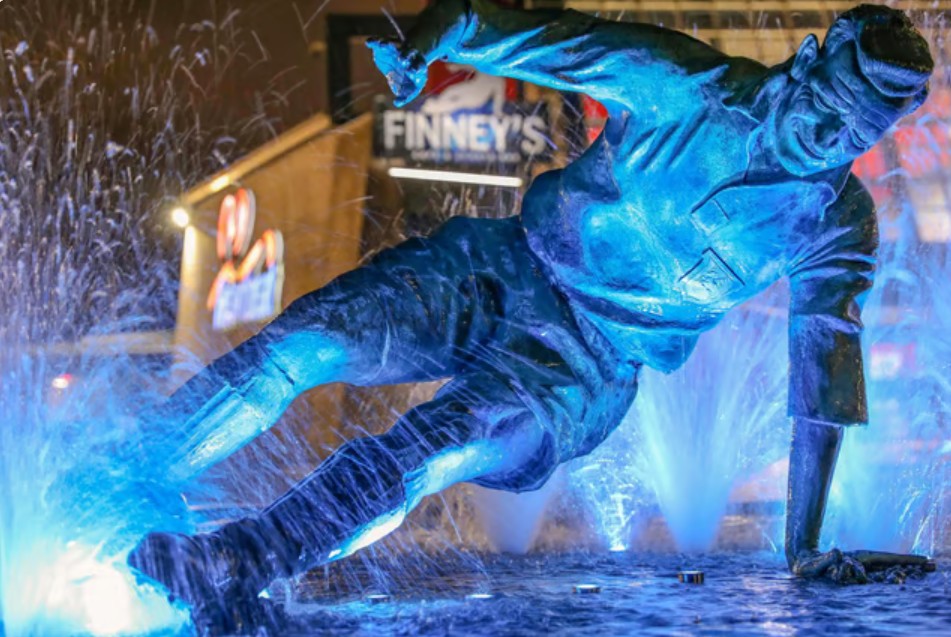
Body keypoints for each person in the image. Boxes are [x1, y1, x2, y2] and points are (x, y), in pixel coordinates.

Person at [130, 2, 936, 632]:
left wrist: (802, 549)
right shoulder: (679, 85)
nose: (826, 144)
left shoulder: (835, 219)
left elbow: (823, 381)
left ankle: (241, 559)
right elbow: (531, 37)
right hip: (503, 265)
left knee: (433, 447)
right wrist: (426, 47)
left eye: (853, 137)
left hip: (585, 367)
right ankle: (124, 478)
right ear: (804, 65)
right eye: (825, 113)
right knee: (304, 340)